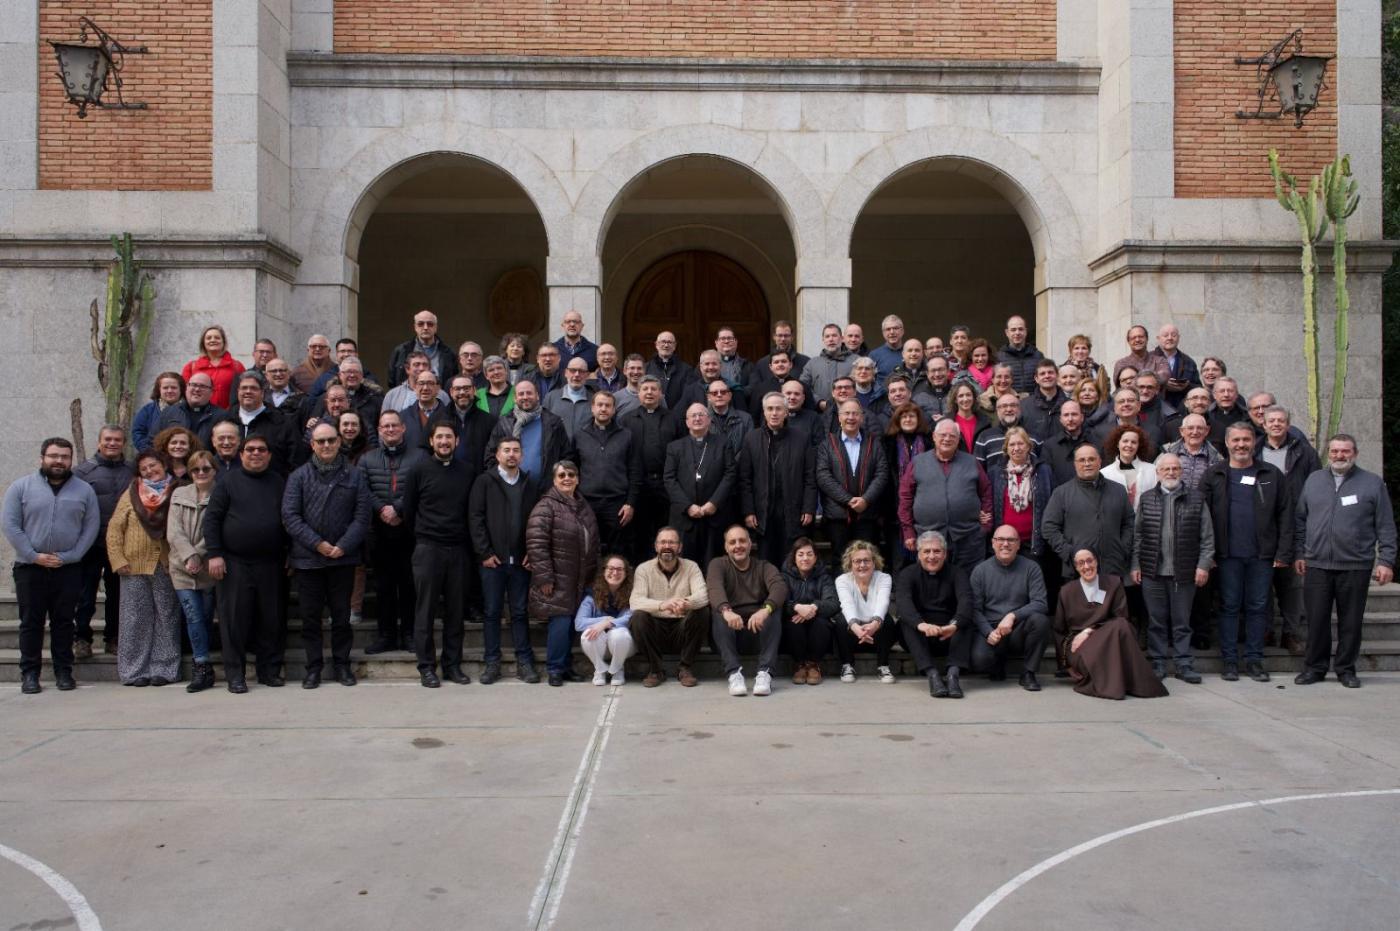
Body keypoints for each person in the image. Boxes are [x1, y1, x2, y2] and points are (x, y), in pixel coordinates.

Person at [1293, 434, 1397, 688]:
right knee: (1317, 621)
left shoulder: (1372, 484)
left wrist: (1386, 560)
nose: (1340, 456)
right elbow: (1300, 520)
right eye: (1335, 451)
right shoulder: (1314, 480)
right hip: (1317, 564)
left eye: (1345, 451)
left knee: (1351, 622)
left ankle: (1346, 669)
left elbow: (1385, 525)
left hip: (1355, 565)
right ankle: (1314, 668)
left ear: (1355, 453)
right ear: (1328, 453)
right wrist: (1300, 553)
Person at [3, 438, 100, 693]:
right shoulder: (20, 487)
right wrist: (33, 555)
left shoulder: (84, 490)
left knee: (64, 622)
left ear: (70, 460)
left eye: (64, 457)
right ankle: (30, 674)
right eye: (54, 456)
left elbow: (91, 527)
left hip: (67, 568)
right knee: (31, 622)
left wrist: (72, 556)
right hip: (30, 567)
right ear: (42, 458)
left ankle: (64, 672)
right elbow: (11, 525)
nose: (59, 461)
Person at [282, 422, 371, 689]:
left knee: (341, 618)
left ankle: (342, 666)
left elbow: (363, 516)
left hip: (342, 558)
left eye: (331, 440)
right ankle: (314, 668)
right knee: (310, 618)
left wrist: (343, 545)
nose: (326, 445)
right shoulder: (298, 476)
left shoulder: (354, 475)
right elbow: (290, 516)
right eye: (320, 441)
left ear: (339, 442)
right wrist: (317, 543)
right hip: (308, 560)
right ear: (312, 444)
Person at [1203, 422, 1293, 682]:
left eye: (1246, 440)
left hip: (1262, 556)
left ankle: (1254, 660)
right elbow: (1202, 517)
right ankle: (1230, 661)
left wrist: (1283, 551)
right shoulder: (1214, 475)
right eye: (1236, 440)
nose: (1241, 445)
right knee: (1229, 607)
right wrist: (1207, 555)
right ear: (1227, 443)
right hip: (1226, 556)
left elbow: (1285, 514)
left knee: (1258, 608)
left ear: (1254, 443)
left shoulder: (1271, 474)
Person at [203, 435, 288, 692]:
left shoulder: (278, 482)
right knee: (234, 622)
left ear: (269, 455)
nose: (256, 454)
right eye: (250, 449)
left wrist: (291, 553)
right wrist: (215, 553)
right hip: (234, 563)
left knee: (271, 620)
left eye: (262, 450)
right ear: (241, 454)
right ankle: (235, 675)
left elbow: (289, 517)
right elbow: (212, 520)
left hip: (272, 563)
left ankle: (269, 671)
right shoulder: (227, 482)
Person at [400, 421, 473, 688]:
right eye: (439, 437)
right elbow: (408, 511)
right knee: (425, 610)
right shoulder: (418, 470)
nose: (444, 441)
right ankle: (427, 667)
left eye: (449, 437)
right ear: (431, 441)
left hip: (458, 550)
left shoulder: (467, 471)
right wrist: (424, 536)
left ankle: (452, 665)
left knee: (455, 611)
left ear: (457, 441)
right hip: (428, 548)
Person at [1132, 454, 1214, 683]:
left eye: (1175, 468)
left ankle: (1184, 663)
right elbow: (1137, 536)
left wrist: (1203, 565)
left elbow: (1207, 537)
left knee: (1182, 622)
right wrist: (1135, 564)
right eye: (1165, 469)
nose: (1170, 473)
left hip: (1184, 572)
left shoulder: (1197, 499)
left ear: (1181, 472)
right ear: (1157, 473)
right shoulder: (1147, 499)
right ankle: (1157, 662)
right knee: (1156, 620)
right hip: (1152, 572)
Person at [469, 436, 543, 684]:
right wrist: (484, 552)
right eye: (507, 450)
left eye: (516, 451)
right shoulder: (484, 482)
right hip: (493, 561)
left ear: (522, 456)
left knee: (520, 612)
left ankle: (525, 661)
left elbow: (537, 522)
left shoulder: (529, 483)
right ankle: (492, 662)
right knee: (491, 612)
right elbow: (475, 518)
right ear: (498, 455)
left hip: (521, 561)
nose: (511, 455)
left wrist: (531, 552)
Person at [105, 449, 181, 686]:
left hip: (166, 564)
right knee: (134, 618)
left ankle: (165, 669)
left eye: (153, 465)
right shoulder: (131, 493)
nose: (150, 470)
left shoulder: (177, 490)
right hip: (133, 566)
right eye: (144, 468)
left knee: (166, 617)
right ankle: (134, 671)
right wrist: (118, 559)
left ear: (164, 465)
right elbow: (115, 528)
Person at [1055, 549, 1169, 699]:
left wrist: (1089, 631)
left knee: (1122, 625)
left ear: (1096, 561)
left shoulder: (1113, 583)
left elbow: (1121, 617)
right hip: (1078, 644)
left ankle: (1123, 683)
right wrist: (1066, 664)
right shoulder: (1066, 591)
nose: (1086, 566)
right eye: (1081, 563)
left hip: (1109, 638)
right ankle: (1119, 684)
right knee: (1119, 627)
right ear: (1076, 567)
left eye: (1090, 561)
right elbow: (1058, 629)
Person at [526, 460, 600, 686]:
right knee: (560, 625)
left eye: (571, 474)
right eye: (561, 476)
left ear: (578, 479)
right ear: (554, 480)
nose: (567, 478)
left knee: (570, 625)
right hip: (557, 578)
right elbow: (536, 544)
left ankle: (566, 667)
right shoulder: (545, 507)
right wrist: (544, 577)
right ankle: (555, 669)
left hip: (579, 578)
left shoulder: (583, 505)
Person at [1257, 405, 1320, 655]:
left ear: (1288, 424)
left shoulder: (1304, 452)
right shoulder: (1254, 450)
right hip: (1261, 528)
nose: (1275, 425)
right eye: (1271, 421)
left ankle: (1292, 633)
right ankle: (1265, 631)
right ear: (1263, 424)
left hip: (1294, 526)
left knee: (1292, 586)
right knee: (1261, 585)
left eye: (1281, 421)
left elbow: (1317, 486)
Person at [898, 419, 992, 572]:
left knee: (968, 584)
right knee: (932, 584)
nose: (947, 439)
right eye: (943, 435)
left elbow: (986, 491)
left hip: (968, 538)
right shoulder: (918, 462)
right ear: (934, 436)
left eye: (952, 436)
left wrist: (985, 526)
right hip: (929, 538)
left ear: (958, 439)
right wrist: (908, 531)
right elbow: (905, 497)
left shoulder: (971, 462)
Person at [967, 526, 1052, 691]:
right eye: (1000, 540)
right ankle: (997, 660)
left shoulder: (1031, 568)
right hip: (992, 630)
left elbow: (1040, 603)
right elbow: (974, 609)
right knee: (979, 661)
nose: (1005, 544)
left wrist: (1013, 615)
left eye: (1011, 540)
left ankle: (1028, 672)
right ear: (993, 543)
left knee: (1040, 621)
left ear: (1018, 544)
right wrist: (987, 631)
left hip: (1018, 629)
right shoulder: (980, 571)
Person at [72, 424, 131, 659]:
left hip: (121, 545)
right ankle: (82, 638)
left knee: (117, 595)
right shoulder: (82, 472)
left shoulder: (132, 470)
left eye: (117, 440)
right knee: (85, 595)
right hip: (91, 544)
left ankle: (113, 638)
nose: (112, 443)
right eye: (108, 439)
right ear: (99, 442)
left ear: (123, 444)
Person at [708, 524, 788, 697]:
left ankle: (765, 672)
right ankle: (734, 673)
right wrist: (726, 610)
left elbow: (780, 587)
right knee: (718, 612)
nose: (738, 545)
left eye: (742, 541)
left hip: (758, 632)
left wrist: (765, 609)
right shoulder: (718, 564)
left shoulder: (763, 566)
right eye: (732, 542)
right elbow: (714, 589)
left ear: (750, 544)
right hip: (729, 634)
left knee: (774, 609)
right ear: (726, 547)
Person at [740, 392, 817, 566]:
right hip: (763, 511)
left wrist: (809, 507)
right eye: (770, 409)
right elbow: (745, 479)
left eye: (778, 409)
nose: (774, 413)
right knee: (766, 559)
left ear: (786, 412)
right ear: (764, 412)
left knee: (790, 559)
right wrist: (748, 511)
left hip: (793, 509)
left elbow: (810, 476)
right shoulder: (751, 438)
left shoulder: (801, 438)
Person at [629, 526, 710, 687]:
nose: (667, 546)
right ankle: (655, 670)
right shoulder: (643, 569)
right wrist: (662, 605)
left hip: (682, 628)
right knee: (638, 617)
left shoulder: (691, 567)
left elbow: (703, 596)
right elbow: (635, 601)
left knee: (702, 612)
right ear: (656, 546)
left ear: (680, 547)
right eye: (663, 542)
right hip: (655, 630)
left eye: (672, 542)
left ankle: (685, 668)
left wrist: (686, 603)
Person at [896, 530, 973, 698]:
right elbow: (902, 603)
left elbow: (966, 602)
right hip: (920, 635)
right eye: (926, 551)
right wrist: (921, 625)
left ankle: (953, 674)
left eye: (937, 551)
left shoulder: (957, 573)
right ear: (919, 554)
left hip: (949, 635)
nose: (932, 556)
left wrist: (953, 625)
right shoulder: (907, 574)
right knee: (904, 623)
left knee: (965, 622)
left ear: (945, 554)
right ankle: (932, 674)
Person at [1042, 444, 1134, 582]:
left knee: (1114, 604)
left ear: (1099, 461)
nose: (1087, 464)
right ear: (1075, 464)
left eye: (1091, 459)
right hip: (1077, 570)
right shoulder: (1061, 493)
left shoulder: (1118, 490)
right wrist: (1070, 553)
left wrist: (1122, 549)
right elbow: (1048, 528)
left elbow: (1129, 523)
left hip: (1113, 568)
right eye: (1082, 460)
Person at [167, 450, 219, 693]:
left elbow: (217, 529)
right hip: (182, 567)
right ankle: (202, 665)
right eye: (196, 469)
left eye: (206, 469)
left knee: (206, 617)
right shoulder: (179, 493)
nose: (200, 473)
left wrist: (198, 554)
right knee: (194, 616)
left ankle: (206, 659)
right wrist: (189, 556)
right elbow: (174, 530)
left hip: (209, 568)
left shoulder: (221, 493)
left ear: (214, 471)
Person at [816, 399, 890, 570]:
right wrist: (848, 500)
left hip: (867, 514)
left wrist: (866, 499)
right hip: (838, 515)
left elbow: (881, 473)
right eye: (846, 413)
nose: (851, 417)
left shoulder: (874, 443)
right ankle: (841, 597)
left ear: (862, 418)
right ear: (839, 417)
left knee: (867, 559)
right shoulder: (827, 444)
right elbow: (823, 475)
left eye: (855, 413)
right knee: (840, 560)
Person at [663, 403, 735, 566]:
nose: (697, 418)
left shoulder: (723, 443)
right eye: (693, 416)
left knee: (714, 564)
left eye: (701, 414)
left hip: (714, 516)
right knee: (683, 564)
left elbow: (730, 474)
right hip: (684, 517)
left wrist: (714, 503)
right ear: (687, 422)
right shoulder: (674, 447)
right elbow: (669, 479)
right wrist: (688, 506)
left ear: (709, 420)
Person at [574, 391, 641, 558]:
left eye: (608, 405)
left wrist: (630, 503)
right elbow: (572, 468)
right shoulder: (579, 434)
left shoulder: (626, 435)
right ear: (592, 408)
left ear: (614, 410)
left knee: (617, 551)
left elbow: (635, 471)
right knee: (587, 548)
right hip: (587, 501)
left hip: (617, 503)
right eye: (600, 405)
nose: (603, 409)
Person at [620, 376, 683, 552]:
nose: (649, 392)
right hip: (638, 485)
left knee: (667, 532)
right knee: (640, 534)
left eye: (653, 389)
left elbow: (682, 452)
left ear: (661, 393)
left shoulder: (674, 419)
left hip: (667, 484)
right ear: (638, 393)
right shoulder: (626, 420)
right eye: (645, 389)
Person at [833, 539, 899, 684]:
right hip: (853, 634)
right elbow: (847, 604)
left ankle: (883, 666)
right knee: (840, 620)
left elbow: (883, 603)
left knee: (887, 620)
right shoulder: (842, 580)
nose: (862, 565)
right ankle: (847, 665)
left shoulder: (884, 578)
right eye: (857, 561)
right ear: (850, 564)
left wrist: (874, 624)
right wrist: (856, 628)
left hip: (876, 633)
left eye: (866, 561)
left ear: (874, 563)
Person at [486, 378, 572, 482]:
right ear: (515, 398)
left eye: (529, 393)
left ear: (537, 396)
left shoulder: (553, 423)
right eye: (521, 394)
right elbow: (491, 455)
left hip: (546, 489)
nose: (525, 397)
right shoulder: (504, 423)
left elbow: (566, 455)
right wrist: (501, 481)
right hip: (511, 489)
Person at [780, 537, 838, 685]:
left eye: (809, 554)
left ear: (816, 557)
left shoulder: (824, 577)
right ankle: (799, 664)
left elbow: (833, 603)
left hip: (817, 623)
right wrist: (797, 607)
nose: (805, 558)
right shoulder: (784, 577)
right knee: (793, 623)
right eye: (800, 554)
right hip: (794, 624)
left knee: (821, 623)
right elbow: (780, 602)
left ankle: (813, 664)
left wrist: (813, 608)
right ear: (794, 557)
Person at [575, 555, 635, 685]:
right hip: (600, 649)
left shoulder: (633, 593)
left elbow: (631, 617)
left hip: (625, 646)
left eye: (620, 569)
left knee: (619, 634)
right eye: (611, 568)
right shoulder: (592, 595)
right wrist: (603, 620)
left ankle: (617, 669)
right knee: (587, 634)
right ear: (604, 571)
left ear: (626, 573)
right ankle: (600, 669)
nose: (615, 572)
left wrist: (609, 623)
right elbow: (579, 623)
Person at [386, 309, 457, 389]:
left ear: (436, 328)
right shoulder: (401, 351)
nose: (425, 327)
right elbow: (392, 381)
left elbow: (452, 382)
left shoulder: (448, 354)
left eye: (430, 324)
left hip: (439, 399)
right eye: (421, 324)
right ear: (415, 327)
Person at [182, 324, 246, 409]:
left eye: (217, 338)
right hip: (199, 416)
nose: (213, 340)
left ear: (223, 342)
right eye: (208, 338)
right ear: (203, 343)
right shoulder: (191, 367)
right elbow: (185, 394)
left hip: (228, 417)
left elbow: (244, 391)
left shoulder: (237, 366)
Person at [1100, 424, 1158, 509]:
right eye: (1125, 441)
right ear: (1117, 444)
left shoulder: (1152, 470)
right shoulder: (1104, 474)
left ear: (1139, 446)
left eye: (1133, 442)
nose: (1129, 445)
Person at [800, 323, 854, 412]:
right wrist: (819, 402)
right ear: (823, 340)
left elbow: (860, 387)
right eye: (827, 336)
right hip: (819, 414)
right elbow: (803, 387)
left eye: (834, 336)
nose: (831, 339)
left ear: (842, 338)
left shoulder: (855, 361)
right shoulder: (812, 363)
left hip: (849, 413)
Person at [156, 373, 219, 447]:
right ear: (186, 388)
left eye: (203, 386)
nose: (197, 389)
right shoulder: (169, 412)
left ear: (211, 392)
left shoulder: (221, 417)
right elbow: (153, 440)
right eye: (193, 385)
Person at [1146, 324, 1199, 407]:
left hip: (1181, 409)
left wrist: (1186, 386)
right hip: (1154, 408)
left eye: (1173, 335)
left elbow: (1198, 388)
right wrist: (1163, 384)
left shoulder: (1189, 361)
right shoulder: (1148, 359)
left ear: (1178, 338)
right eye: (1165, 335)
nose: (1170, 338)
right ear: (1158, 339)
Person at [543, 358, 597, 439]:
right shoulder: (551, 397)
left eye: (581, 371)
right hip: (558, 450)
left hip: (584, 450)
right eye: (573, 370)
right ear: (566, 373)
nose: (577, 374)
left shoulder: (595, 400)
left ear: (587, 375)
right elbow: (544, 427)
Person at [131, 372, 185, 451]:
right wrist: (149, 453)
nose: (169, 390)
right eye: (165, 388)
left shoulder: (188, 410)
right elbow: (138, 433)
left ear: (181, 389)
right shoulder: (147, 410)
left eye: (174, 387)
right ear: (159, 390)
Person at [645, 331, 697, 410]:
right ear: (656, 345)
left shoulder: (686, 370)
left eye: (669, 342)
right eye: (663, 342)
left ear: (675, 346)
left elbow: (688, 396)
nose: (666, 345)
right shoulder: (646, 368)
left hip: (677, 417)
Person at [1043, 401, 1088, 488]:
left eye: (1074, 414)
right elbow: (1047, 479)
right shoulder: (1049, 447)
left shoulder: (1094, 441)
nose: (1070, 419)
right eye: (1066, 415)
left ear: (1082, 417)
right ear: (1061, 419)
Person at [1019, 359, 1066, 441]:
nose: (1047, 376)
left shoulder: (1069, 404)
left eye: (1050, 372)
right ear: (1036, 379)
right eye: (1042, 373)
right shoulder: (1023, 406)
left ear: (1057, 376)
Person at [995, 315, 1043, 394]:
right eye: (1013, 330)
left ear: (1025, 331)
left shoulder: (1038, 356)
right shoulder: (999, 358)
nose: (1017, 333)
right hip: (1009, 404)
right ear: (1007, 333)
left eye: (1020, 329)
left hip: (1033, 403)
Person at [1065, 333, 1110, 400]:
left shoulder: (1098, 369)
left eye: (1084, 348)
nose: (1080, 351)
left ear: (1089, 351)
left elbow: (1106, 388)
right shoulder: (1063, 369)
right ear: (1070, 351)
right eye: (1076, 348)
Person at [948, 382, 990, 455]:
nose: (965, 399)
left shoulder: (985, 422)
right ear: (955, 400)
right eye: (961, 396)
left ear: (973, 397)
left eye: (968, 395)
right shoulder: (948, 422)